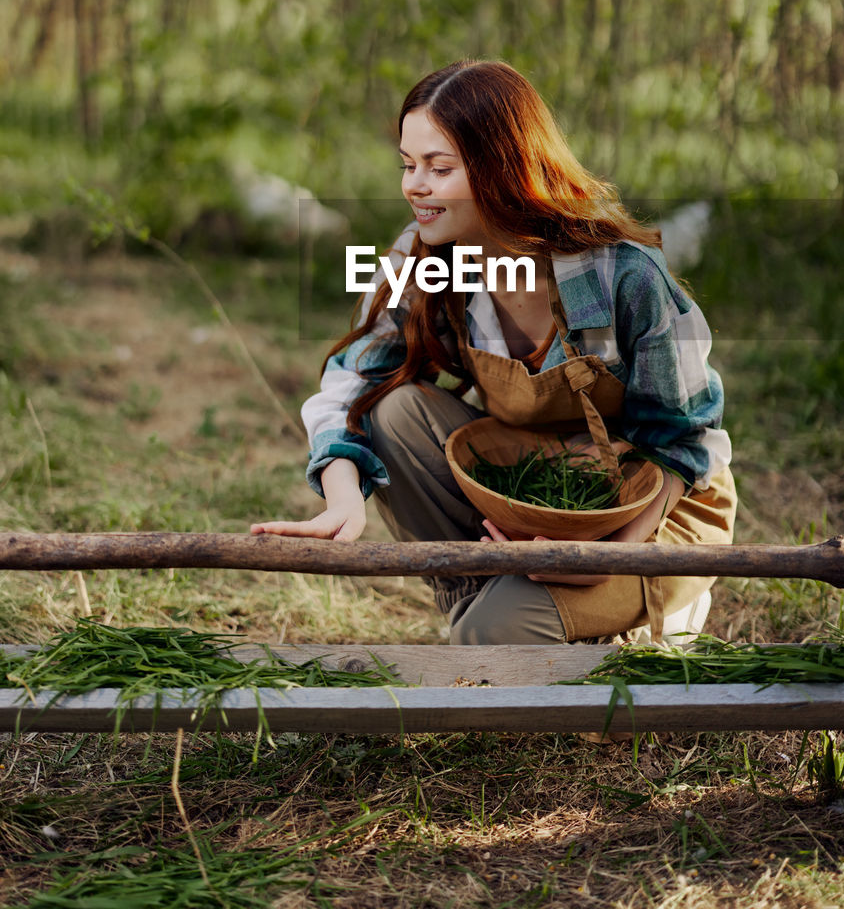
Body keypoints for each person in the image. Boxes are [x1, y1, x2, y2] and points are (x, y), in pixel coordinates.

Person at [251, 61, 737, 645]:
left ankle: (639, 616)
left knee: (487, 640)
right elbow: (353, 385)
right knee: (393, 410)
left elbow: (684, 442)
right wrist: (342, 499)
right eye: (408, 165)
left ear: (503, 170)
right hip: (530, 493)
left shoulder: (622, 275)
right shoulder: (425, 259)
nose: (414, 186)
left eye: (439, 168)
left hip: (648, 517)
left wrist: (607, 557)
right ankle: (491, 599)